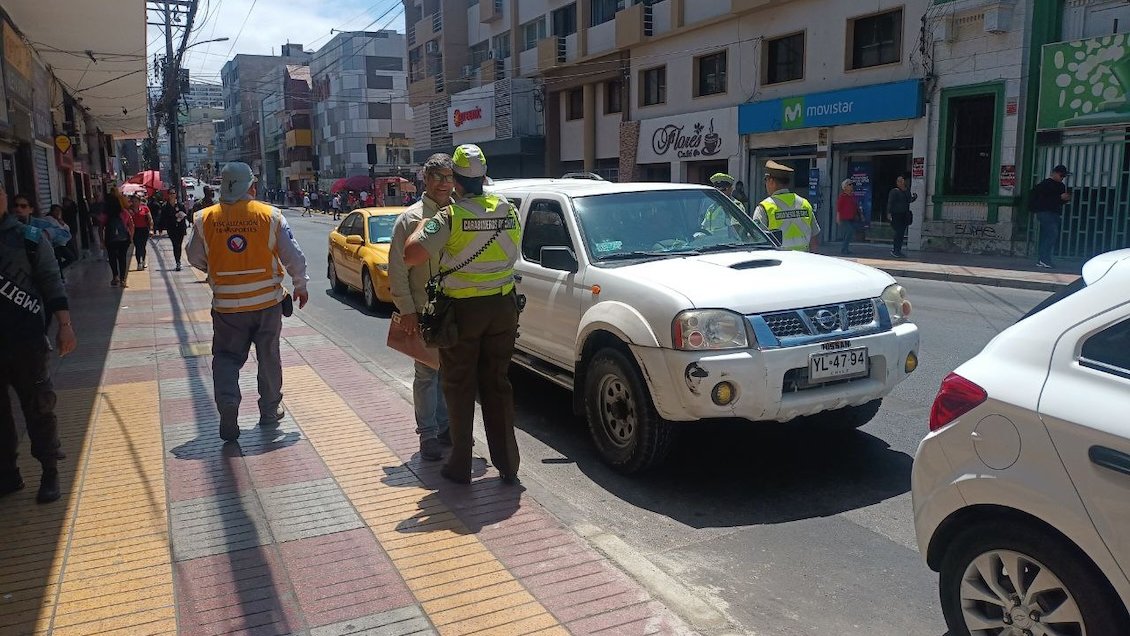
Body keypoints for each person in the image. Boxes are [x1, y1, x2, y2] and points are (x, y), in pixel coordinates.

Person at [403, 144, 521, 485]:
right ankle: (508, 464)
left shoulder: (450, 216)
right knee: (497, 385)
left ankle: (459, 465)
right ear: (483, 177)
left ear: (455, 179)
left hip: (464, 311)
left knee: (459, 385)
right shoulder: (508, 209)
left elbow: (412, 255)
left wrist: (422, 226)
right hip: (503, 308)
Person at [186, 162, 309, 442]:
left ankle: (229, 403)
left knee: (227, 358)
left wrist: (217, 268)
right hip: (267, 304)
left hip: (227, 306)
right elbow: (293, 255)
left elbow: (193, 257)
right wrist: (300, 285)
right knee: (268, 356)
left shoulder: (204, 218)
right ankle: (268, 411)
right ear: (251, 187)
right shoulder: (270, 215)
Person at [0, 181, 76, 503]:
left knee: (39, 408)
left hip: (26, 341)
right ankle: (7, 475)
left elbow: (51, 281)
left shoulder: (28, 238)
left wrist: (65, 326)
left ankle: (49, 471)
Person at [390, 154, 454, 462]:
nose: (444, 183)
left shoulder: (460, 213)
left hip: (457, 310)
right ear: (425, 180)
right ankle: (428, 434)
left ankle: (445, 427)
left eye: (449, 176)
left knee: (450, 373)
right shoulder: (410, 219)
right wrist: (407, 310)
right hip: (424, 310)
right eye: (438, 177)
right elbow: (398, 269)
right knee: (427, 373)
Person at [753, 161, 820, 251]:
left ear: (771, 181)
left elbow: (756, 239)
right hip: (804, 260)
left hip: (779, 261)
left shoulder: (764, 207)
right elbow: (814, 240)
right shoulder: (804, 203)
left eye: (766, 180)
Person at [1030, 164, 1071, 268]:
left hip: (1054, 212)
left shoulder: (1061, 186)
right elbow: (1040, 201)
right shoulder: (1045, 184)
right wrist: (1059, 197)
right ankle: (1044, 259)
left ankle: (1043, 259)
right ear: (1054, 173)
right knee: (1052, 234)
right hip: (1044, 212)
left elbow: (1058, 201)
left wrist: (1064, 199)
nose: (1062, 178)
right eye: (1061, 175)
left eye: (1064, 176)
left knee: (1049, 236)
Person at [101, 191, 134, 287]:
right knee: (122, 258)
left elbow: (101, 227)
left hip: (110, 239)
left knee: (112, 257)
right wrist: (131, 237)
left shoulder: (106, 214)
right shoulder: (124, 212)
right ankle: (123, 280)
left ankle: (115, 277)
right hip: (124, 239)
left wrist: (101, 240)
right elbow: (131, 225)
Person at [887, 172, 917, 259]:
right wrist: (888, 213)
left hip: (904, 214)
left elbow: (909, 200)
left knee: (901, 233)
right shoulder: (894, 191)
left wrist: (914, 198)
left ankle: (898, 250)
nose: (900, 182)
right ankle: (895, 250)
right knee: (898, 232)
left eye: (901, 180)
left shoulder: (907, 190)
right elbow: (890, 202)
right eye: (898, 181)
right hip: (896, 214)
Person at [44, 204, 78, 275]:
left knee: (71, 257)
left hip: (61, 244)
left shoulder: (58, 220)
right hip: (54, 245)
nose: (58, 212)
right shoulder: (49, 219)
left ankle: (58, 272)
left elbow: (66, 229)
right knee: (64, 258)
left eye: (59, 211)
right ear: (52, 211)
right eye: (56, 211)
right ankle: (59, 275)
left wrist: (62, 223)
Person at [163, 191, 189, 271]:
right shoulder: (165, 206)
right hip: (171, 229)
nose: (172, 195)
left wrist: (180, 217)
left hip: (180, 228)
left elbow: (184, 215)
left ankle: (179, 261)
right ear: (168, 195)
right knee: (175, 245)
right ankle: (177, 261)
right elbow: (163, 218)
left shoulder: (180, 205)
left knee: (179, 245)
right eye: (170, 193)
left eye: (174, 193)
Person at [128, 194, 153, 270]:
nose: (135, 203)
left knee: (143, 246)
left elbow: (150, 219)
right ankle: (139, 262)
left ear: (139, 201)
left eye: (136, 201)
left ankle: (144, 260)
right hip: (135, 230)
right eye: (133, 201)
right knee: (137, 247)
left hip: (144, 230)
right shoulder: (129, 210)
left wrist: (151, 229)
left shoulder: (145, 208)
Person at [836, 179, 861, 255]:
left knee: (849, 233)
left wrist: (860, 215)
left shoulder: (852, 196)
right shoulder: (842, 197)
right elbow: (838, 208)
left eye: (851, 184)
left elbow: (856, 206)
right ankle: (844, 249)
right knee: (849, 231)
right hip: (844, 218)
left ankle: (845, 249)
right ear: (845, 187)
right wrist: (838, 218)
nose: (851, 186)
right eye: (849, 185)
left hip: (852, 218)